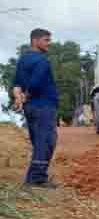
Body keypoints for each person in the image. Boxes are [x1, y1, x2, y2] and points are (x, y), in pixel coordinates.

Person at [13, 28, 59, 189]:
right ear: (35, 41)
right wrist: (27, 95)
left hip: (30, 108)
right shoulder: (42, 60)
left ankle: (36, 177)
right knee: (46, 142)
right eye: (46, 40)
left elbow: (17, 82)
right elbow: (35, 83)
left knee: (39, 141)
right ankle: (36, 179)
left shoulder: (23, 59)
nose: (49, 44)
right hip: (43, 106)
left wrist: (19, 98)